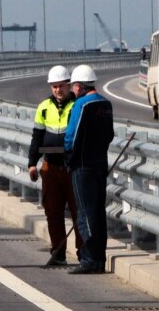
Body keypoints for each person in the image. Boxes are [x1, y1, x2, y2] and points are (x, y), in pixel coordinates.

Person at [28, 65, 82, 265]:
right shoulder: (43, 107)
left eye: (61, 86)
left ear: (68, 85)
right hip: (49, 168)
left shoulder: (77, 106)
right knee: (53, 212)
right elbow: (37, 137)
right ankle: (58, 253)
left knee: (78, 212)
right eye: (54, 86)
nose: (58, 90)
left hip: (72, 167)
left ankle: (82, 254)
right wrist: (32, 163)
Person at [63, 64, 114, 275]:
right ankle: (100, 258)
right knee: (98, 211)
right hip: (100, 164)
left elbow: (71, 137)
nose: (73, 91)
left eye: (74, 86)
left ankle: (89, 259)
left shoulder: (81, 105)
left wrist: (69, 159)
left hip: (82, 166)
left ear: (79, 85)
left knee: (84, 213)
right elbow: (109, 135)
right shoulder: (106, 104)